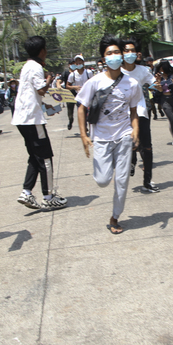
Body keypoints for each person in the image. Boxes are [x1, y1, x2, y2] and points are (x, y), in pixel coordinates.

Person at [76, 34, 141, 234]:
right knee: (103, 180)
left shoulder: (132, 83)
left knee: (122, 181)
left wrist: (136, 129)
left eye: (116, 52)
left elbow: (133, 110)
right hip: (102, 138)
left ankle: (115, 217)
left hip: (124, 136)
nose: (113, 56)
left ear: (122, 55)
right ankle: (107, 168)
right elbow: (81, 107)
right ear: (103, 58)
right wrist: (84, 135)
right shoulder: (95, 82)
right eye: (109, 53)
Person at [11, 36, 68, 211]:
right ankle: (48, 196)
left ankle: (26, 192)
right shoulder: (36, 67)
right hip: (32, 120)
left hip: (23, 118)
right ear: (42, 51)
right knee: (45, 158)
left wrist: (45, 106)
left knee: (35, 157)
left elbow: (30, 95)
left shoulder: (26, 66)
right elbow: (42, 89)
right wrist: (49, 78)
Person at [122, 37, 160, 193]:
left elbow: (155, 85)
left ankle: (147, 181)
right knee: (128, 145)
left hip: (141, 111)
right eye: (126, 51)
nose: (130, 53)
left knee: (147, 147)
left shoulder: (143, 71)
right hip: (123, 114)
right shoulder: (116, 71)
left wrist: (157, 85)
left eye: (132, 50)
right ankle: (130, 161)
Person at [62, 54, 93, 130]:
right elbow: (67, 86)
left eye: (80, 61)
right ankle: (84, 129)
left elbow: (93, 83)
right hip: (79, 97)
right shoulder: (72, 75)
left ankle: (91, 130)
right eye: (77, 61)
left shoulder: (88, 72)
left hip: (89, 97)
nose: (78, 63)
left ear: (83, 62)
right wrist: (74, 87)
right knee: (82, 115)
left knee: (90, 115)